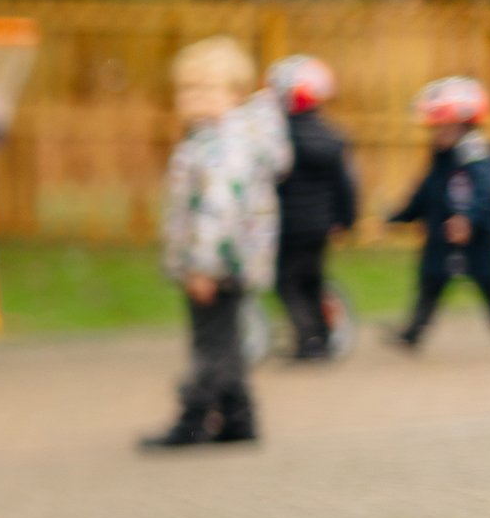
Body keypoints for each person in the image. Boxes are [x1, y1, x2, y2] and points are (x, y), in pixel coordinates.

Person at [142, 36, 289, 449]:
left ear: (237, 93)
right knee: (225, 341)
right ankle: (239, 417)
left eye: (206, 90)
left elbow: (218, 210)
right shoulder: (214, 139)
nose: (194, 99)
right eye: (187, 90)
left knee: (210, 345)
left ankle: (194, 419)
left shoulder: (224, 146)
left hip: (220, 262)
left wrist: (204, 265)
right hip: (228, 261)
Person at [391, 76, 490, 351]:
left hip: (475, 235)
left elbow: (486, 191)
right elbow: (428, 192)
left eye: (441, 127)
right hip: (442, 232)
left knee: (489, 282)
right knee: (431, 280)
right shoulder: (441, 156)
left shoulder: (475, 150)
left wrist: (468, 218)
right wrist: (401, 216)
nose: (435, 134)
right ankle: (413, 333)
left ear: (461, 124)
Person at [265, 55, 358, 360]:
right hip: (320, 226)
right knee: (313, 281)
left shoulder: (278, 140)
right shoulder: (332, 137)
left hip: (288, 226)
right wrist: (345, 219)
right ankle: (324, 337)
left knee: (286, 282)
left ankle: (308, 340)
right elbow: (346, 185)